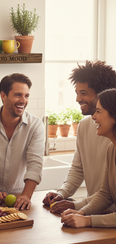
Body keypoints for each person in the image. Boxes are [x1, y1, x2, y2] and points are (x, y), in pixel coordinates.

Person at [43, 60, 116, 214]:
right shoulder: (84, 126)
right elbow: (78, 169)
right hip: (92, 210)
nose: (77, 99)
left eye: (83, 93)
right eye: (77, 93)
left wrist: (77, 206)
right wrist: (61, 193)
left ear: (103, 95)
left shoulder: (111, 137)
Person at [0, 73, 44, 211]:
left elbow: (35, 164)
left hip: (20, 197)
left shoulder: (35, 125)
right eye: (18, 95)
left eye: (26, 96)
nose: (23, 100)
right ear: (3, 96)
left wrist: (26, 196)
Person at [61, 88, 116, 228]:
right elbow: (106, 194)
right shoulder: (112, 149)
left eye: (98, 111)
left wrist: (87, 220)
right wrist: (81, 212)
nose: (93, 117)